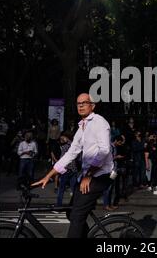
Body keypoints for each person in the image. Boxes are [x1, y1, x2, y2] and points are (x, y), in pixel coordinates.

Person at [32, 93, 113, 238]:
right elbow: (70, 153)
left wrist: (89, 175)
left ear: (92, 105)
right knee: (70, 212)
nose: (80, 105)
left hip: (99, 175)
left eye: (84, 102)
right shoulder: (82, 127)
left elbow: (105, 150)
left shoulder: (99, 122)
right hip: (87, 176)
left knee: (76, 216)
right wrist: (48, 176)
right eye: (78, 103)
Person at [56, 132, 78, 207]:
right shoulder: (74, 145)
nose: (61, 140)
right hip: (74, 170)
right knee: (74, 189)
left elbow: (62, 159)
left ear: (66, 137)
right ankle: (74, 205)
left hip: (66, 170)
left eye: (62, 138)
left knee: (61, 189)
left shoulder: (65, 147)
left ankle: (58, 205)